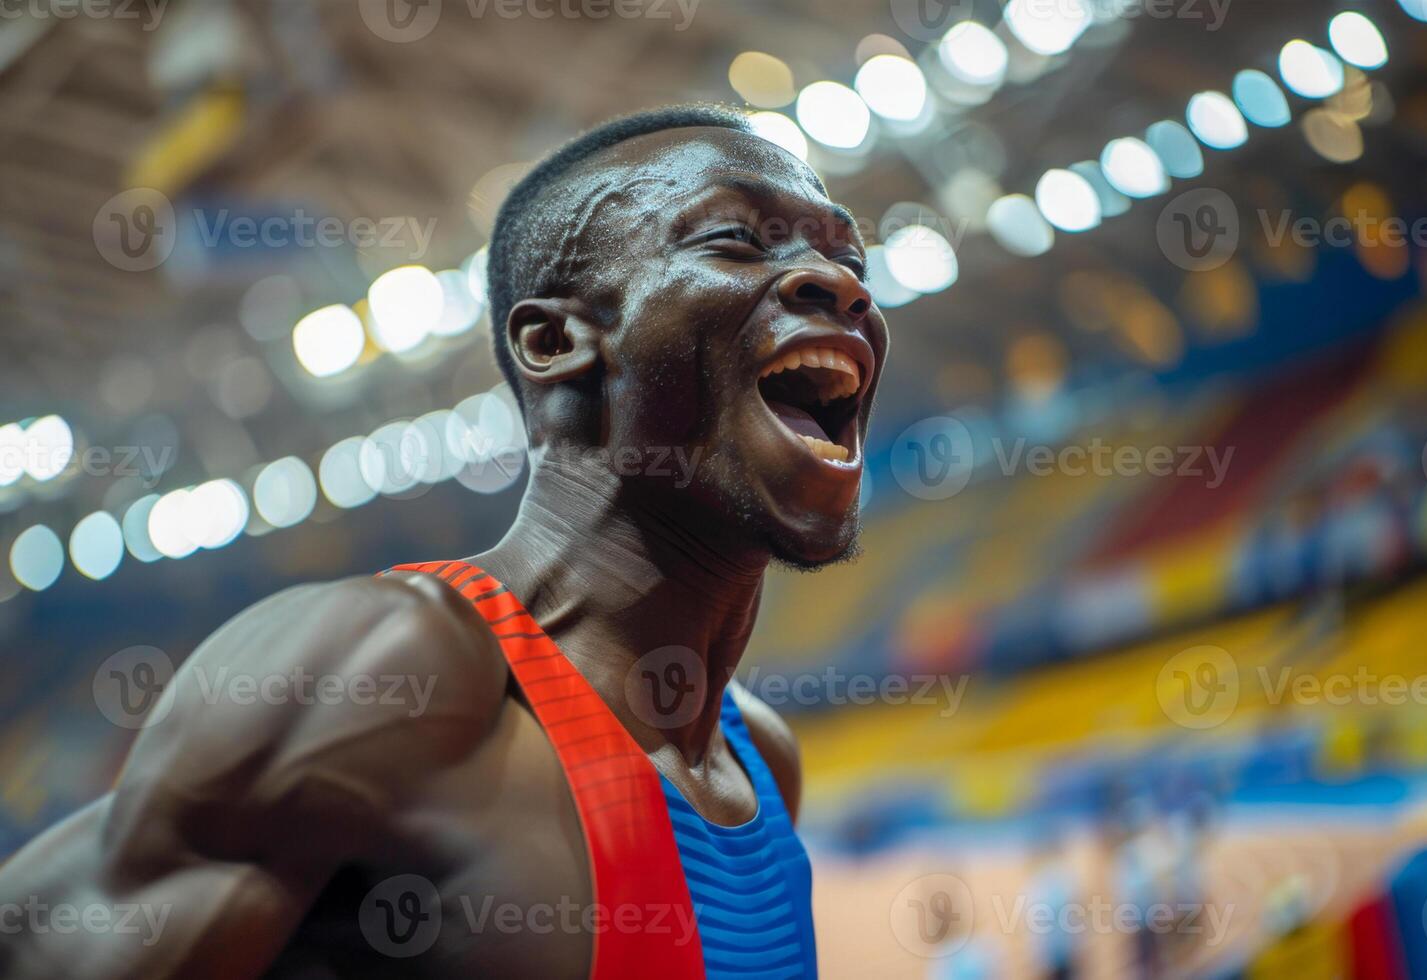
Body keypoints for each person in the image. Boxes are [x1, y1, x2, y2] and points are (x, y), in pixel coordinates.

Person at [0, 104, 887, 979]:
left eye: (848, 257)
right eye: (732, 240)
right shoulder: (386, 677)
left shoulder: (763, 760)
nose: (839, 284)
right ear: (555, 342)